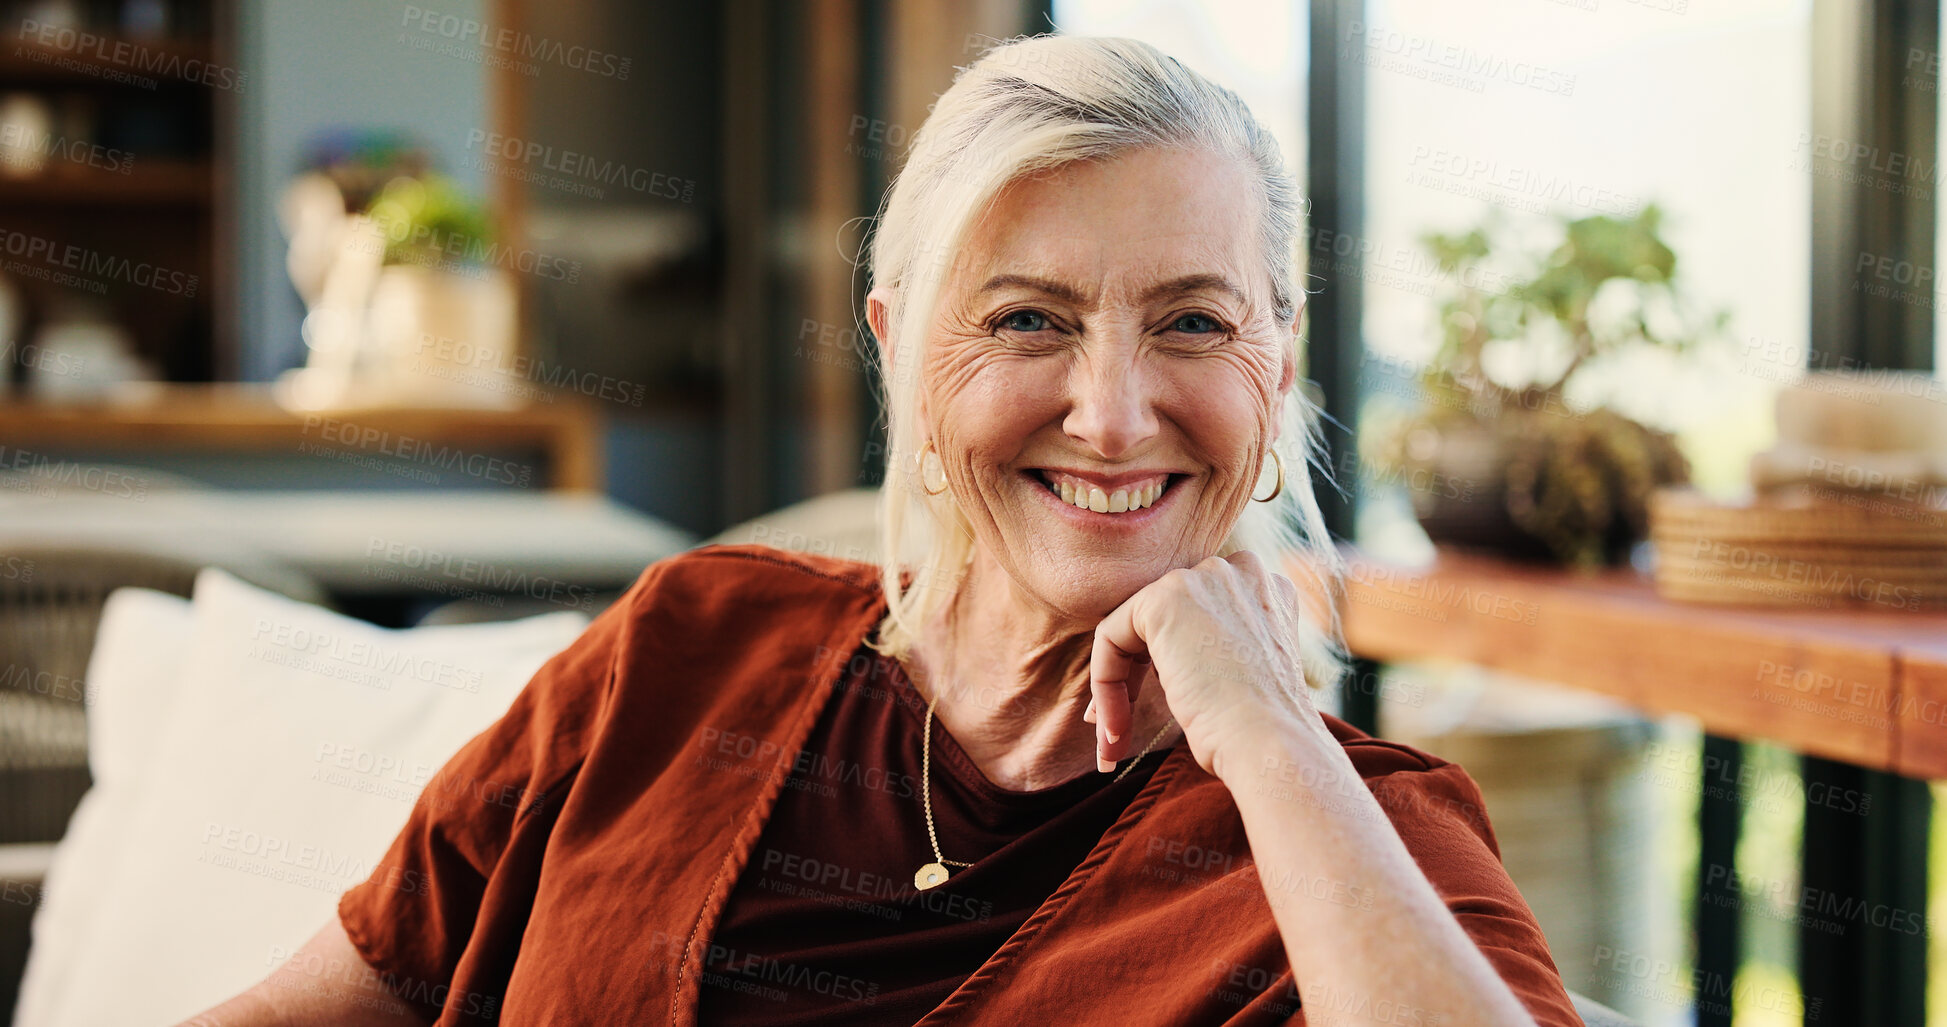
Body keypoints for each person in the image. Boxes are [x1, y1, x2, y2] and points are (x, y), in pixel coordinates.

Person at [185, 34, 1578, 1026]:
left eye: (1194, 323)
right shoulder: (691, 644)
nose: (1109, 416)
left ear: (1278, 362)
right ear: (900, 350)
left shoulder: (1352, 830)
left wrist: (1268, 731)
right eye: (1026, 319)